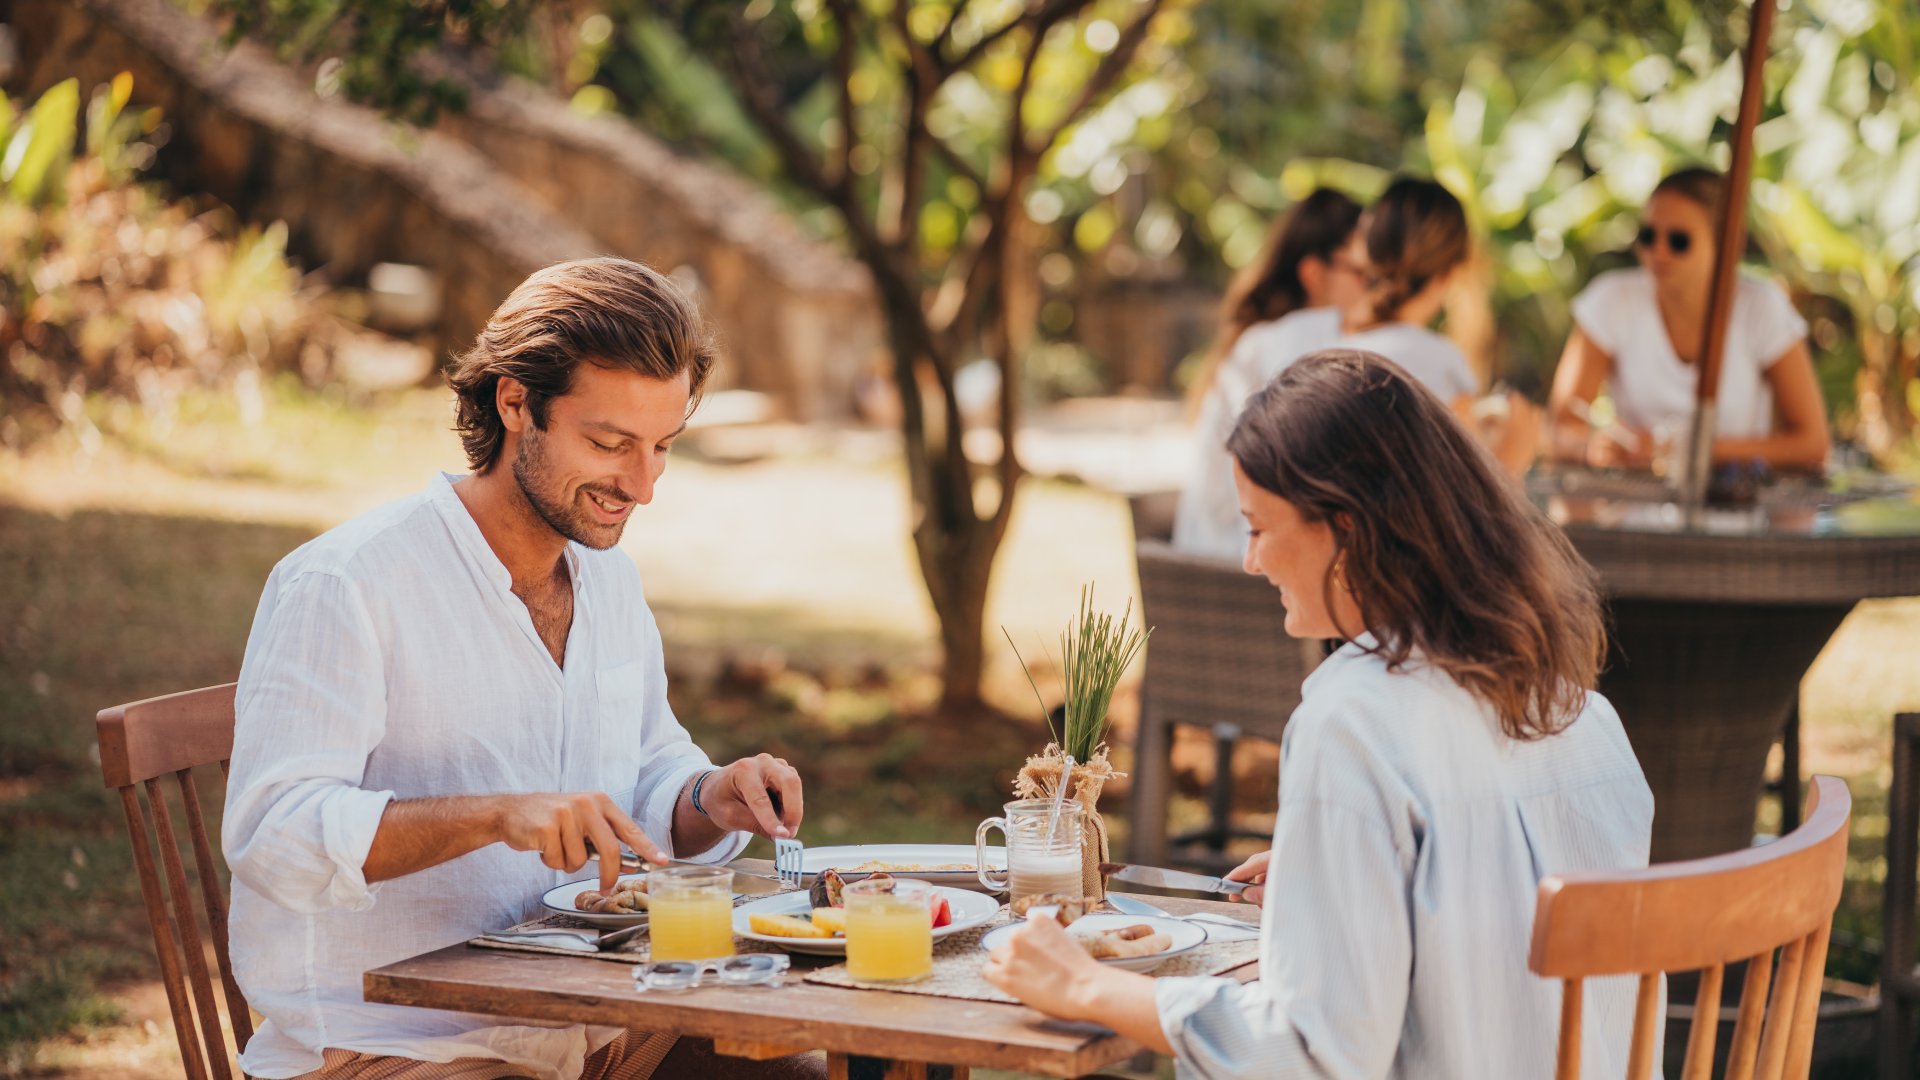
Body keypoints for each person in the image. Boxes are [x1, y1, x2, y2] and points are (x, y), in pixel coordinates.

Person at [223, 258, 821, 1080]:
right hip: (404, 1048)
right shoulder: (347, 583)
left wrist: (710, 796)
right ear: (515, 404)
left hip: (594, 1027)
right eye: (609, 444)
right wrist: (498, 814)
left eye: (661, 447)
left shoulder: (608, 580)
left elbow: (649, 770)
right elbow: (274, 835)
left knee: (823, 1067)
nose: (642, 486)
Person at [984, 349, 1653, 1078]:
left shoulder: (1354, 718)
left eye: (1257, 527)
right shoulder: (1582, 715)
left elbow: (1312, 1054)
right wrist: (1357, 866)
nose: (1250, 561)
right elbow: (1522, 921)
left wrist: (1088, 986)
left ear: (1346, 529)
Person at [1547, 166, 1830, 472]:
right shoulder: (1612, 300)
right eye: (1648, 236)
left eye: (1679, 241)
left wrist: (1685, 450)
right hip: (1634, 498)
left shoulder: (1760, 306)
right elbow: (1558, 428)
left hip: (1733, 497)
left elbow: (1812, 443)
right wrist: (1590, 446)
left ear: (1726, 244)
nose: (1658, 251)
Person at [1173, 188, 1367, 556]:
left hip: (1214, 555)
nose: (1375, 286)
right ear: (1314, 273)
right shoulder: (1300, 340)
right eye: (1362, 272)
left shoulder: (1259, 340)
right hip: (1240, 564)